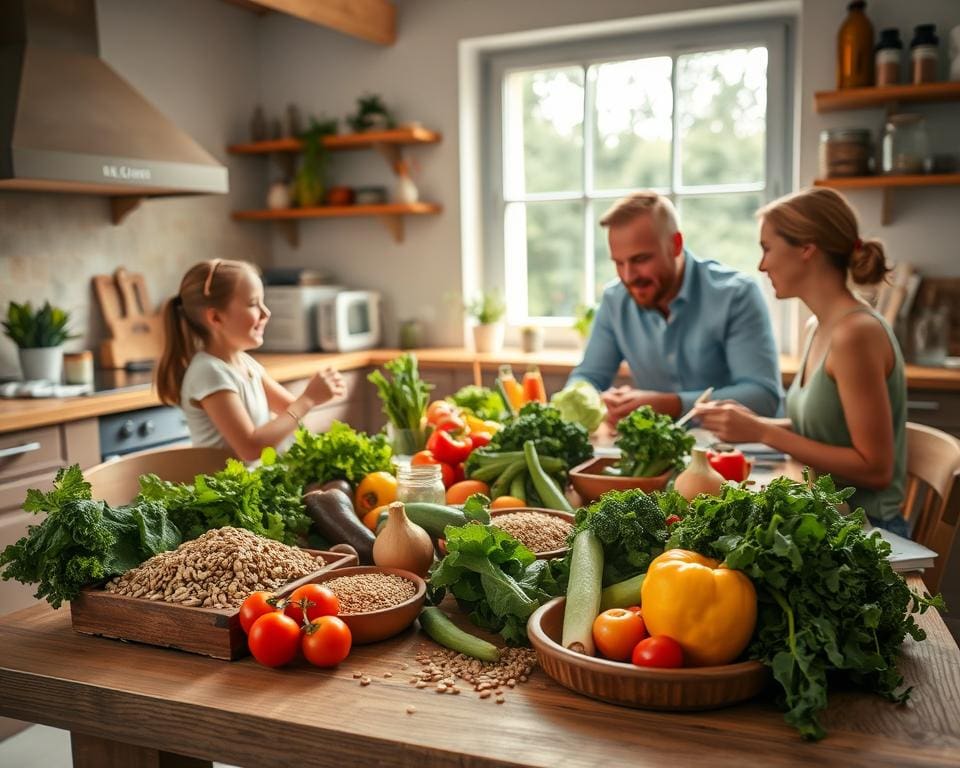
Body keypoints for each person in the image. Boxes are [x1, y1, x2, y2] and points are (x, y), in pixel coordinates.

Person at [693, 187, 907, 534]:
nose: (761, 264)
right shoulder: (818, 326)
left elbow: (875, 469)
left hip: (869, 531)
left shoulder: (855, 334)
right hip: (831, 517)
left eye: (767, 248)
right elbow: (825, 432)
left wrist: (762, 431)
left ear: (807, 248)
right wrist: (752, 423)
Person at [568, 191, 782, 426]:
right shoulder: (615, 300)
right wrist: (595, 400)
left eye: (640, 260)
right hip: (660, 446)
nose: (628, 276)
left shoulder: (736, 295)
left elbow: (763, 397)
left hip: (735, 446)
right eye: (619, 263)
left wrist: (672, 404)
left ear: (675, 245)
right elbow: (587, 377)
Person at [155, 259, 346, 461]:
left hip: (257, 478)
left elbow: (289, 409)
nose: (266, 313)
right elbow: (251, 448)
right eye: (254, 304)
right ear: (216, 318)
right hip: (224, 482)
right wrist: (308, 399)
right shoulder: (209, 372)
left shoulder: (245, 362)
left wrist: (316, 393)